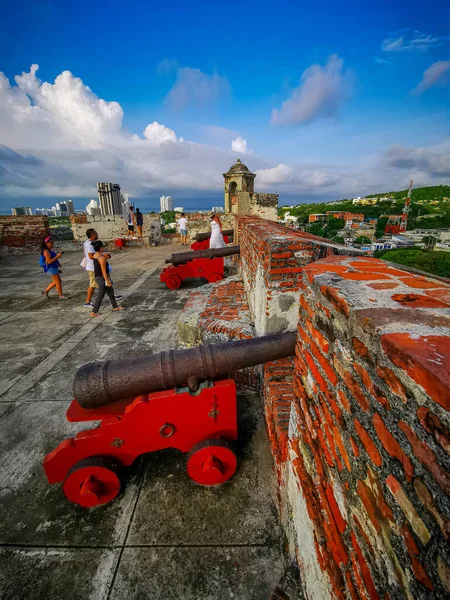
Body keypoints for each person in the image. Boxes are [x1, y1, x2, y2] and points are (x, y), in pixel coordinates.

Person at [90, 240, 125, 317]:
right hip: (102, 278)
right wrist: (107, 281)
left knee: (111, 292)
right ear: (100, 248)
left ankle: (115, 306)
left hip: (98, 277)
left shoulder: (96, 255)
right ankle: (94, 312)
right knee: (100, 295)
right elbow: (103, 271)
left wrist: (105, 257)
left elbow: (100, 261)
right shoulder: (101, 258)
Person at [82, 228, 98, 308]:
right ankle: (87, 301)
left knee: (105, 281)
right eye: (95, 233)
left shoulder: (87, 242)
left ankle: (112, 295)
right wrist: (101, 256)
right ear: (92, 235)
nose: (97, 234)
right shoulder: (90, 244)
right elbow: (91, 256)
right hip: (93, 267)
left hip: (91, 266)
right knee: (92, 284)